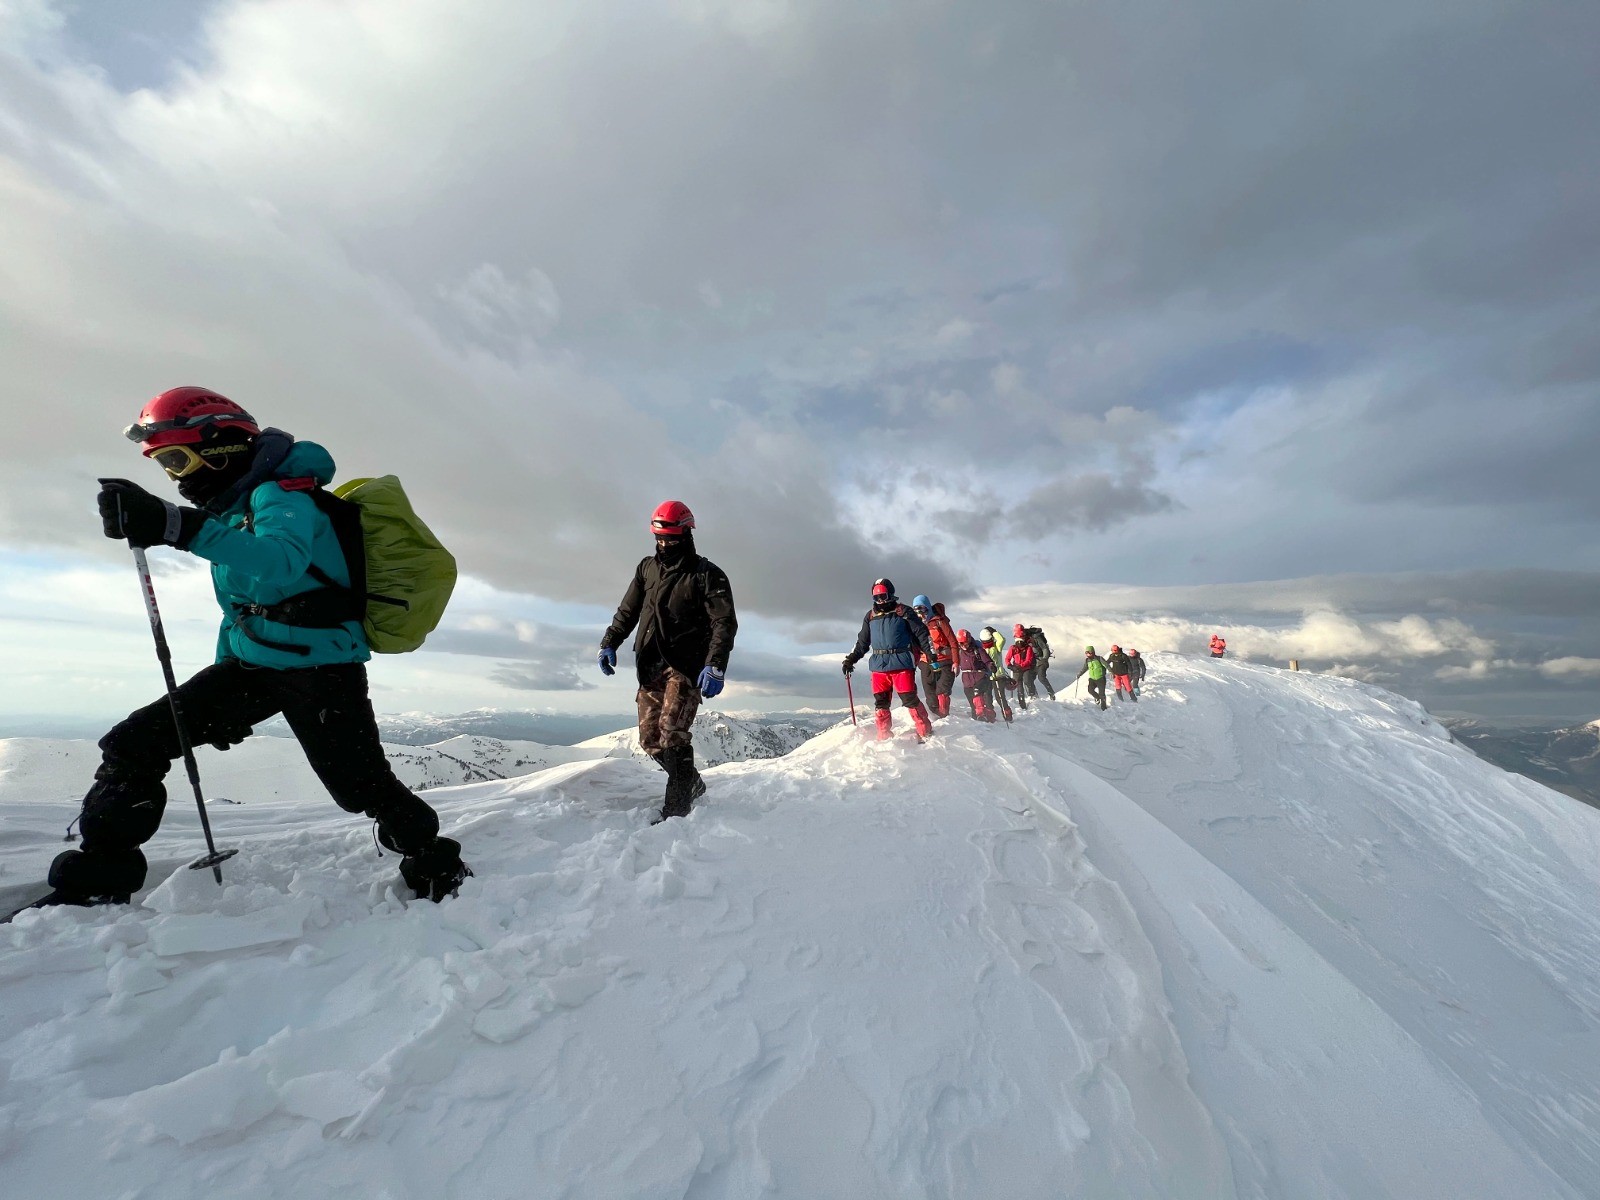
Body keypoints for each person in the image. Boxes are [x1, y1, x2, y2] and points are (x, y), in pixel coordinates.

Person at [43, 387, 471, 911]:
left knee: (363, 787)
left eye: (178, 457)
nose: (176, 475)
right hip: (252, 667)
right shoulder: (235, 509)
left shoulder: (283, 496)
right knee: (134, 744)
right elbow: (241, 606)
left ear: (221, 444)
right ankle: (96, 881)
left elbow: (281, 562)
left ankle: (433, 858)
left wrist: (175, 524)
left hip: (323, 671)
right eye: (164, 464)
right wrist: (224, 676)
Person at [599, 500, 737, 822]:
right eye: (660, 538)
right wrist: (610, 642)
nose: (665, 544)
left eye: (672, 538)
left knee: (671, 731)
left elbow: (724, 622)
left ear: (687, 534)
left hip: (687, 667)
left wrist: (715, 663)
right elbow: (628, 611)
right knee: (650, 739)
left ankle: (676, 812)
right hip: (650, 665)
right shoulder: (646, 568)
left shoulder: (707, 575)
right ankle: (691, 782)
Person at [843, 579, 935, 741]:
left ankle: (924, 730)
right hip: (879, 665)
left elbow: (921, 634)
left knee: (909, 699)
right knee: (881, 702)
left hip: (902, 663)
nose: (880, 601)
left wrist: (930, 653)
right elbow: (863, 642)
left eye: (883, 596)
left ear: (891, 595)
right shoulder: (870, 616)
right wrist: (851, 660)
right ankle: (883, 735)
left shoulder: (904, 612)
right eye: (876, 598)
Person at [911, 595, 959, 719]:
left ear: (927, 607)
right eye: (917, 611)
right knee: (930, 693)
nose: (921, 614)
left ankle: (943, 716)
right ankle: (934, 717)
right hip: (925, 662)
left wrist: (956, 662)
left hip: (944, 661)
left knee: (942, 690)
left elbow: (953, 641)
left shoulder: (939, 621)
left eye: (923, 610)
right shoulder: (915, 625)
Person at [955, 629, 996, 722]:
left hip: (980, 676)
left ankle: (981, 715)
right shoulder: (958, 651)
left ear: (969, 640)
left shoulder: (977, 650)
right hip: (967, 680)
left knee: (977, 692)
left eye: (965, 643)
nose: (963, 645)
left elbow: (987, 660)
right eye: (961, 643)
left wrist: (991, 666)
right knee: (973, 705)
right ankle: (986, 717)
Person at [979, 626, 1013, 722]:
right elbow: (1001, 640)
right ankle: (991, 716)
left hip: (998, 676)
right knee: (988, 697)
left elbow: (1001, 640)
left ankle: (1007, 716)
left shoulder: (995, 647)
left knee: (1000, 698)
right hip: (988, 676)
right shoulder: (984, 649)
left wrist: (994, 632)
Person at [1005, 624, 1038, 709]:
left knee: (1027, 681)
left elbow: (1029, 660)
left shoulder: (1028, 648)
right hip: (1016, 669)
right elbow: (1007, 658)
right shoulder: (1013, 648)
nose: (1020, 643)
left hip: (1025, 668)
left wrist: (1019, 666)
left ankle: (1032, 695)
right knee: (1019, 687)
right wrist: (1010, 666)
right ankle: (1022, 704)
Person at [1024, 625, 1057, 699]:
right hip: (1033, 662)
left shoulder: (1036, 638)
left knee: (1041, 677)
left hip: (1040, 660)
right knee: (1029, 679)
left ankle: (1051, 693)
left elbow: (1044, 648)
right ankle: (1034, 695)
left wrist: (1044, 659)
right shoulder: (1027, 640)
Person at [1076, 645, 1109, 710]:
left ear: (1093, 652)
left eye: (1089, 653)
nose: (1088, 655)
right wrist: (1079, 674)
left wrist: (1112, 672)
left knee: (1102, 694)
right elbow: (1085, 668)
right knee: (1090, 690)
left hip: (1100, 678)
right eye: (1086, 653)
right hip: (1092, 678)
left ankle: (1104, 708)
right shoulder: (1087, 660)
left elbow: (1106, 665)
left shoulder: (1099, 659)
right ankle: (1097, 697)